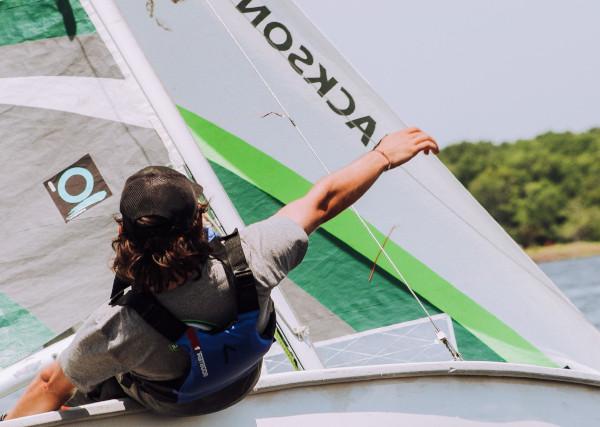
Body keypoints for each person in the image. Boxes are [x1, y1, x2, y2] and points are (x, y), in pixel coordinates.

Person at [3, 127, 438, 420]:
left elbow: (49, 384)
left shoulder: (116, 328)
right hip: (240, 384)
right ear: (199, 220)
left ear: (123, 232)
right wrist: (382, 155)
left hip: (172, 406)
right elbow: (322, 201)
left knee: (74, 382)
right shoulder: (259, 254)